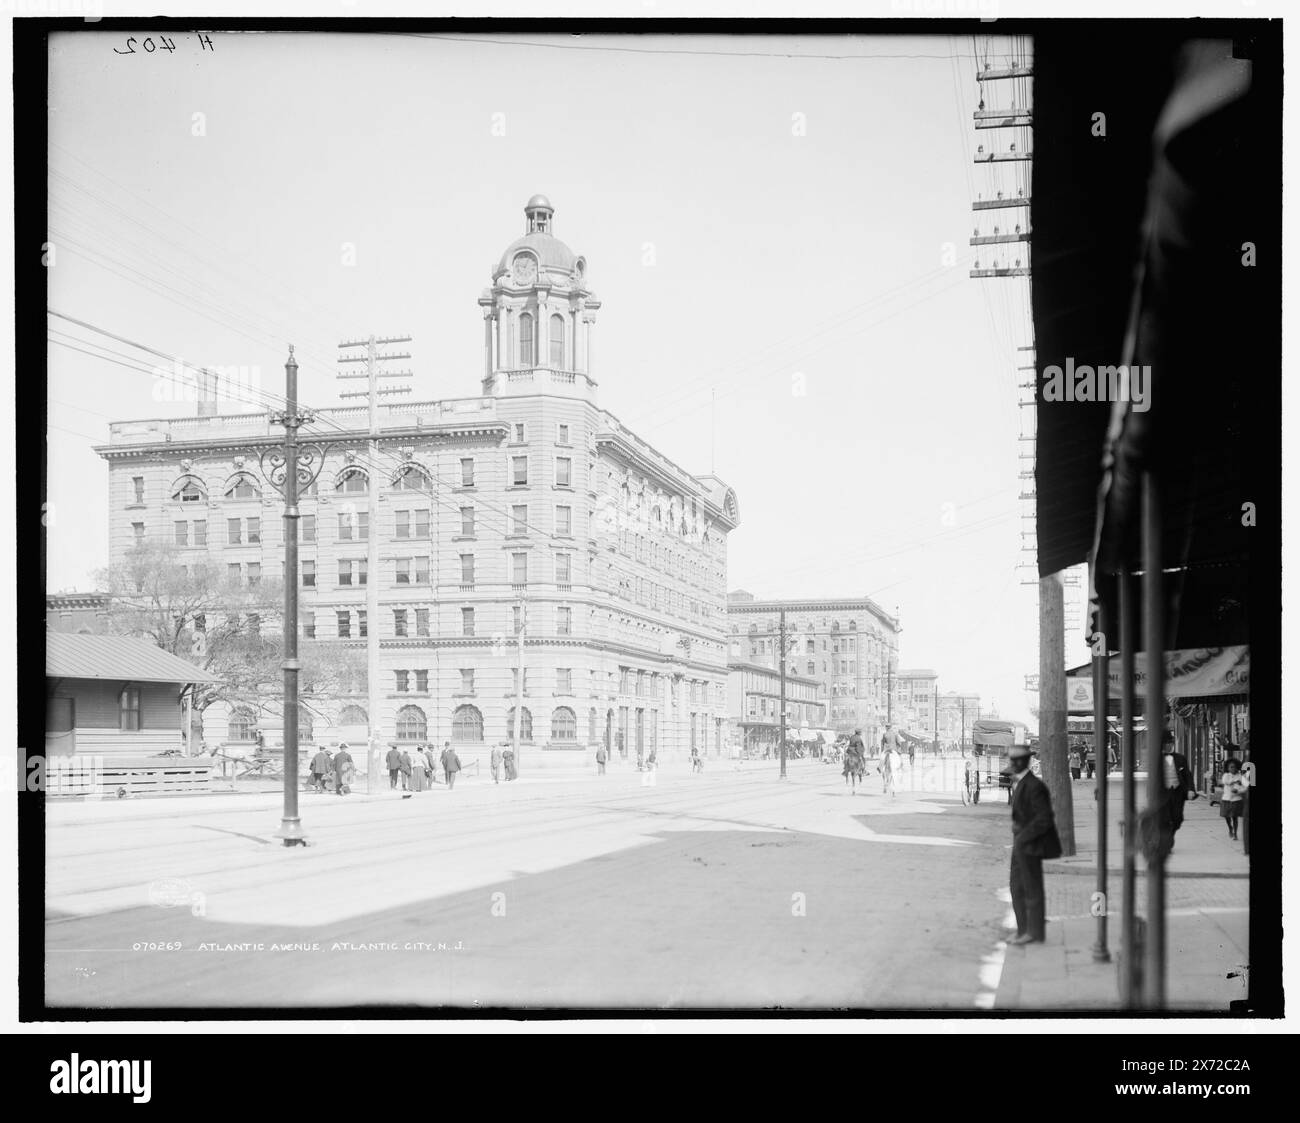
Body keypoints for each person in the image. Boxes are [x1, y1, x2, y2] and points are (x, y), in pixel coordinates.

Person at [1006, 743, 1062, 945]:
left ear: (1022, 762)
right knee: (1017, 887)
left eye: (1015, 761)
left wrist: (1022, 837)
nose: (1011, 764)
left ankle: (1033, 932)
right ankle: (1024, 930)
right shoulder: (1022, 783)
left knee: (1031, 889)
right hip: (1021, 844)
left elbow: (1044, 818)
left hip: (1029, 845)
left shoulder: (1034, 786)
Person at [1158, 730, 1198, 854]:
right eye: (1166, 743)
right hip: (1163, 793)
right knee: (1164, 818)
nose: (1169, 745)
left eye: (1171, 742)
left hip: (1178, 792)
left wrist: (1191, 789)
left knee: (1177, 818)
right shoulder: (1156, 759)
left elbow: (1188, 775)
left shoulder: (1180, 758)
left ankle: (1171, 834)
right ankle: (1166, 842)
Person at [1219, 758, 1246, 842]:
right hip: (1226, 798)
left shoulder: (1241, 777)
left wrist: (1238, 790)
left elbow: (1245, 787)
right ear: (1227, 768)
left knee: (1234, 817)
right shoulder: (1226, 775)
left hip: (1236, 799)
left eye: (1234, 767)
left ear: (1237, 767)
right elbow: (1226, 782)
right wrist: (1234, 781)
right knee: (1226, 816)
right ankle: (1230, 827)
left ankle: (1235, 833)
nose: (1232, 769)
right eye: (1230, 767)